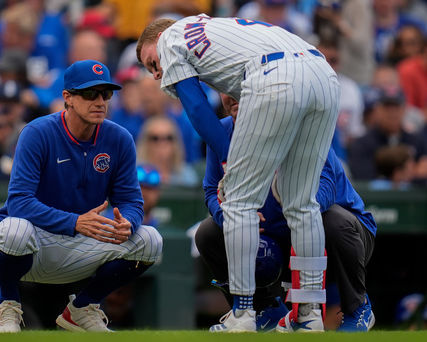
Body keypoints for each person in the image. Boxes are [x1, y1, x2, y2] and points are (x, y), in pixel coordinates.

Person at [137, 14, 340, 332]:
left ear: (160, 38)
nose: (155, 74)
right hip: (322, 72)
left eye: (151, 62)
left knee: (238, 202)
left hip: (276, 74)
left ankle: (243, 314)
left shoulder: (171, 37)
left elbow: (198, 108)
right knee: (302, 203)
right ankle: (309, 314)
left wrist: (227, 162)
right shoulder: (215, 28)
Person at [0, 60, 163, 333]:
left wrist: (128, 221)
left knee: (150, 240)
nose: (100, 101)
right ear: (67, 97)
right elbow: (19, 202)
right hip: (30, 243)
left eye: (106, 93)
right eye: (91, 93)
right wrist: (75, 222)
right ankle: (8, 304)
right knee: (14, 230)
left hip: (80, 243)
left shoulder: (120, 138)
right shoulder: (37, 132)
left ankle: (83, 308)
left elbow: (131, 201)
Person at [195, 94, 377, 332]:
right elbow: (211, 189)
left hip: (337, 235)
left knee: (332, 220)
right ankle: (264, 310)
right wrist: (229, 217)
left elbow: (328, 184)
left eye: (238, 87)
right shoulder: (220, 130)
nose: (232, 96)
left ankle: (358, 308)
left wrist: (298, 212)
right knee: (209, 232)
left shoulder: (299, 125)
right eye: (224, 89)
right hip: (276, 237)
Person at [136, 115, 199, 187]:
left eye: (169, 138)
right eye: (155, 138)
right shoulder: (136, 173)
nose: (162, 143)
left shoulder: (186, 174)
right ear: (145, 142)